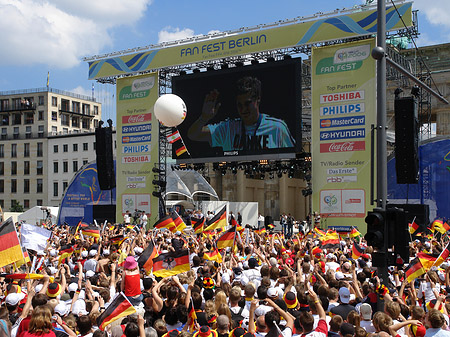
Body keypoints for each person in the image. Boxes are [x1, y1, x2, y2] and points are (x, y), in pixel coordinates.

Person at [188, 76, 295, 151]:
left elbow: (293, 154)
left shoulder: (278, 128)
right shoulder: (227, 128)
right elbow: (193, 135)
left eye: (247, 104)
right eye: (239, 105)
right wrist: (204, 118)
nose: (243, 109)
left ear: (258, 99)